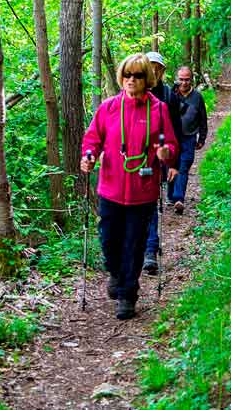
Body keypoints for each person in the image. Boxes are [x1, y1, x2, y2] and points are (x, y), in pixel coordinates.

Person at [80, 53, 178, 320]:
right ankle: (115, 272)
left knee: (134, 245)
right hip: (110, 188)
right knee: (109, 241)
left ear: (147, 79)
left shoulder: (158, 110)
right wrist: (89, 157)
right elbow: (92, 139)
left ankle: (127, 295)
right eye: (127, 74)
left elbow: (168, 143)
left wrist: (166, 153)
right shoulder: (109, 108)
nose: (131, 80)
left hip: (142, 191)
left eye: (137, 75)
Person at [142, 51, 180, 275]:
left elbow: (176, 131)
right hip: (133, 161)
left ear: (163, 71)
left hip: (158, 160)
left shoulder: (168, 96)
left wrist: (174, 164)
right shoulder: (132, 92)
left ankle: (150, 251)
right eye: (151, 66)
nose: (154, 71)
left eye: (158, 67)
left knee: (150, 203)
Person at [169, 65, 208, 214]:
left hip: (189, 137)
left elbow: (203, 119)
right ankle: (172, 195)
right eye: (181, 79)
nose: (184, 82)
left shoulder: (197, 97)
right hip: (172, 137)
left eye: (187, 79)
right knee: (172, 165)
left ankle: (179, 198)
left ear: (192, 80)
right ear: (177, 79)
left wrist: (202, 138)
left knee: (184, 165)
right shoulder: (172, 94)